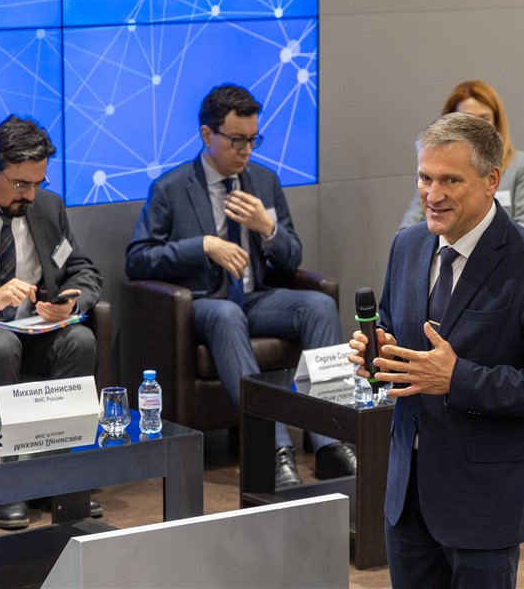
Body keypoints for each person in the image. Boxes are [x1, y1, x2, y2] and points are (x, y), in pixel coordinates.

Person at [349, 113, 524, 588]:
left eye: (450, 180)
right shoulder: (407, 246)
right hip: (408, 494)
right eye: (425, 178)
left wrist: (457, 379)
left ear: (491, 180)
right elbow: (397, 331)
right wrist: (381, 352)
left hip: (485, 500)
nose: (432, 194)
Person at [126, 84, 355, 487]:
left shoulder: (263, 181)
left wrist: (267, 228)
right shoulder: (172, 187)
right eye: (237, 140)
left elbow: (292, 258)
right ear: (207, 134)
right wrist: (203, 246)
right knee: (227, 313)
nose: (247, 150)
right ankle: (273, 448)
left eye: (253, 140)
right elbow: (138, 259)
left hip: (257, 298)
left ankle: (331, 441)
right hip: (204, 304)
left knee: (318, 305)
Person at [0, 115, 103, 529]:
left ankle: (57, 479)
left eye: (37, 183)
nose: (30, 194)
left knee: (79, 339)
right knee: (0, 345)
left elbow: (81, 268)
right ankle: (2, 485)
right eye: (20, 185)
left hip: (32, 330)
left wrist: (72, 299)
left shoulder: (47, 206)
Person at [398, 79, 524, 236]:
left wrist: (471, 245)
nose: (475, 129)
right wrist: (444, 242)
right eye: (466, 119)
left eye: (484, 119)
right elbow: (409, 227)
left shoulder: (521, 164)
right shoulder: (433, 168)